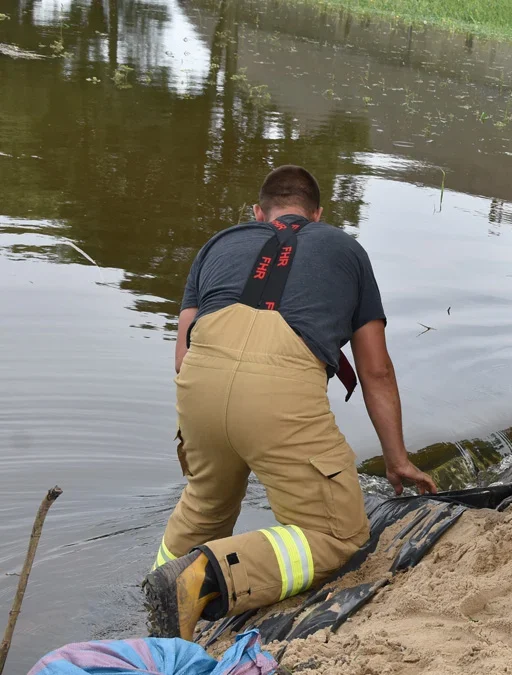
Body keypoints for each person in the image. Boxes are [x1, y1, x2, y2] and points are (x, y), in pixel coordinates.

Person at [143, 166, 437, 639]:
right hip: (280, 385)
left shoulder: (218, 243)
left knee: (205, 503)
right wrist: (396, 458)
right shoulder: (346, 249)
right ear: (318, 215)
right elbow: (375, 370)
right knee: (340, 535)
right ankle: (210, 578)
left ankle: (157, 616)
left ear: (257, 213)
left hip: (200, 379)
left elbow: (182, 357)